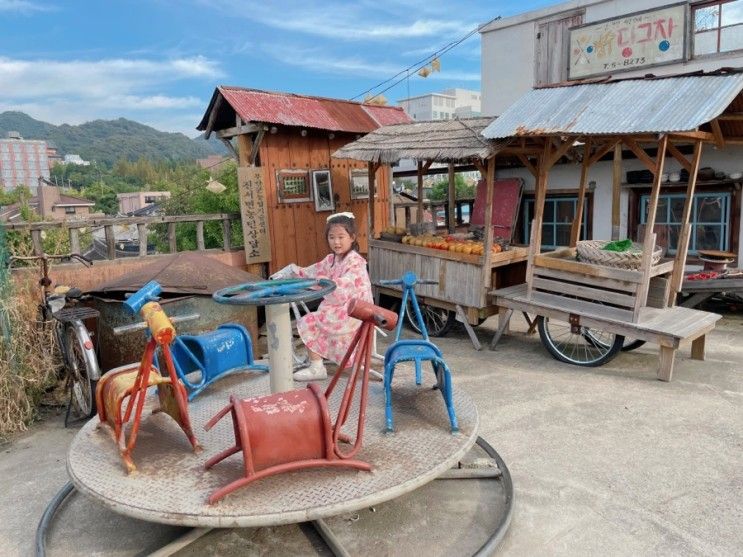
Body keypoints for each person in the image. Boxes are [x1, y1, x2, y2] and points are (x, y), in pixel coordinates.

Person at [270, 212, 373, 381]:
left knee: (309, 320)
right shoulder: (331, 259)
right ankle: (317, 361)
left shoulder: (355, 261)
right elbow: (312, 271)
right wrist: (292, 272)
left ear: (352, 237)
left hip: (355, 311)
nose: (336, 242)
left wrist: (326, 281)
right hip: (338, 307)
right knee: (315, 315)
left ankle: (317, 367)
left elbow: (345, 286)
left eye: (341, 237)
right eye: (332, 237)